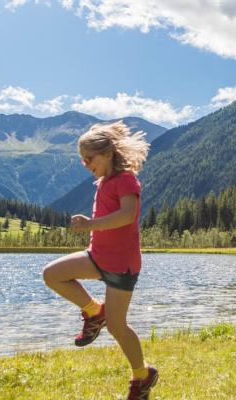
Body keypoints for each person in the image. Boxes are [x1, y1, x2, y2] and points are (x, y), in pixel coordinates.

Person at [41, 121, 158, 399]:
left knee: (118, 327)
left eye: (88, 158)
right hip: (97, 256)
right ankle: (95, 311)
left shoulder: (127, 179)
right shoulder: (104, 181)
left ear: (106, 153)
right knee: (52, 274)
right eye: (82, 160)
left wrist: (90, 223)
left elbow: (127, 216)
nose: (85, 164)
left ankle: (142, 375)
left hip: (122, 265)